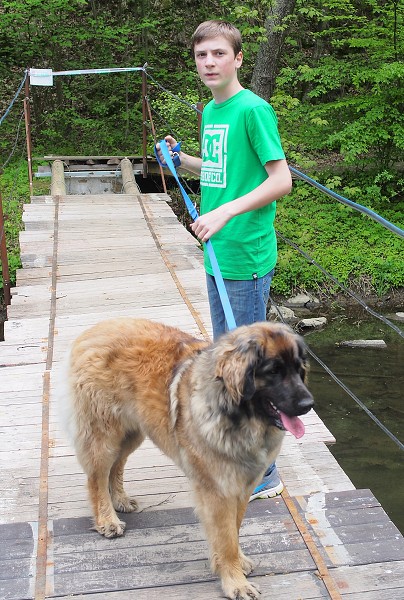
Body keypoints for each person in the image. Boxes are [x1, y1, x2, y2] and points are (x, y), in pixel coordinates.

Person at [157, 20, 292, 500]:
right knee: (227, 360)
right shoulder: (211, 112)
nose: (209, 63)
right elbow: (224, 169)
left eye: (218, 54)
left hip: (246, 253)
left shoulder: (253, 109)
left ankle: (266, 473)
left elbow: (280, 180)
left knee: (248, 366)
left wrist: (227, 212)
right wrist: (185, 158)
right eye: (201, 56)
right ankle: (241, 455)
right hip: (218, 252)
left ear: (237, 58)